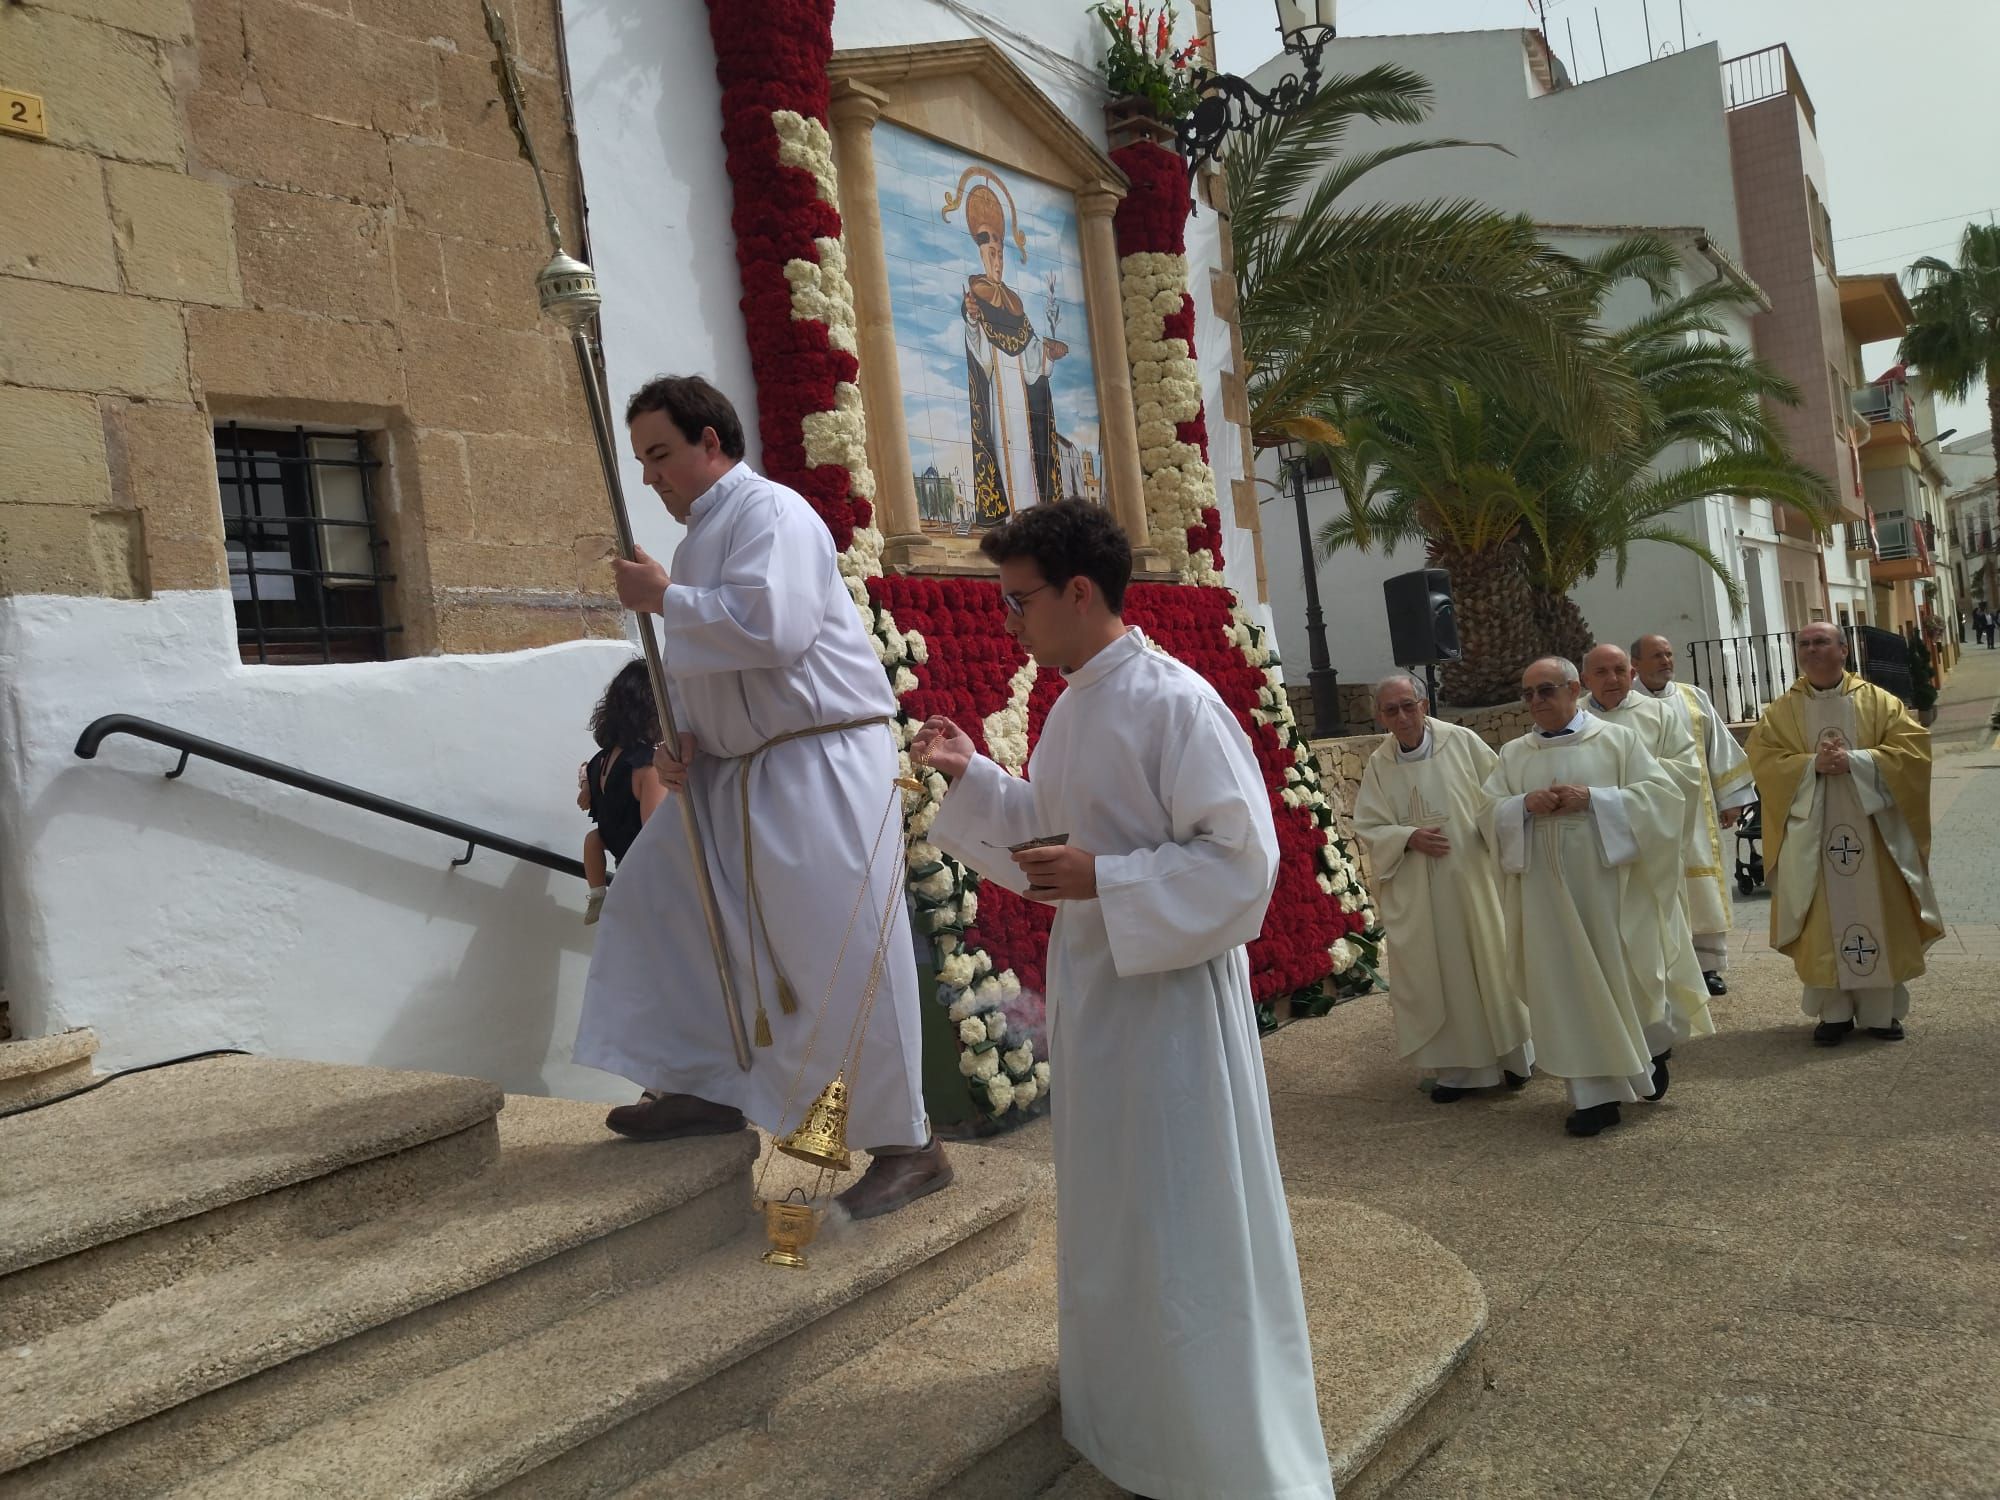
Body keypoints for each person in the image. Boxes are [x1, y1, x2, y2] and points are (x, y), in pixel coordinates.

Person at [914, 501, 1332, 1500]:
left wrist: (1106, 880)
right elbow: (1049, 838)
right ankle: (1133, 1416)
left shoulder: (1170, 701)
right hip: (1101, 995)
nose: (1007, 621)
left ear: (1078, 592)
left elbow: (1242, 861)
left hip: (1171, 1008)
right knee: (1117, 1210)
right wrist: (972, 775)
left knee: (1178, 1210)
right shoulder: (1073, 701)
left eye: (1018, 601)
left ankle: (1214, 1447)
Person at [575, 375, 948, 1220]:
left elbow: (773, 630)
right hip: (732, 773)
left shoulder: (771, 513)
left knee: (847, 954)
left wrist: (664, 598)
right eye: (641, 460)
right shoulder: (709, 533)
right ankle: (705, 1083)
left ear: (712, 441)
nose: (651, 477)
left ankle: (910, 1144)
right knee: (660, 903)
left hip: (819, 766)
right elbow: (719, 664)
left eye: (661, 454)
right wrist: (685, 740)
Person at [1481, 657, 1690, 1137]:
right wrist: (1521, 806)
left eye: (1547, 690)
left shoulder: (1617, 740)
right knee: (1566, 988)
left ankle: (1650, 1051)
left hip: (1606, 891)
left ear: (1574, 690)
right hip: (1545, 898)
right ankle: (1593, 1098)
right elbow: (1485, 813)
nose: (1536, 701)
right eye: (1528, 693)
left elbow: (1663, 799)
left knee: (1624, 975)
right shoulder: (1514, 754)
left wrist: (1596, 800)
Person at [1744, 622, 1944, 1045]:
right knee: (1822, 921)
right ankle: (1832, 1013)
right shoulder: (1782, 710)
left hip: (1874, 832)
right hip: (1812, 837)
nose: (1812, 650)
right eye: (1804, 644)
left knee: (1880, 915)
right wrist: (1808, 765)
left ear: (1843, 650)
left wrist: (1857, 761)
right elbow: (1762, 758)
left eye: (1821, 642)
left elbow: (1913, 750)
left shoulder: (1879, 703)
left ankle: (1880, 1013)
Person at [1351, 673, 1533, 1102]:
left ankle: (1514, 1058)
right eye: (1391, 710)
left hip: (1474, 880)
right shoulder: (1381, 763)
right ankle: (1458, 1073)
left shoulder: (1463, 743)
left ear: (1425, 705)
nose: (1402, 716)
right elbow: (1370, 826)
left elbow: (1500, 797)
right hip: (1419, 891)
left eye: (1408, 705)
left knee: (1490, 963)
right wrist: (1407, 838)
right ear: (1380, 716)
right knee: (1436, 975)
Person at [1580, 643, 1715, 1080]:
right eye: (1601, 671)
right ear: (1585, 679)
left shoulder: (1660, 715)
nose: (1612, 678)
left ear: (1632, 671)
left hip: (1648, 854)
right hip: (1592, 858)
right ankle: (1613, 1030)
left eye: (1619, 669)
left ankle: (1659, 1029)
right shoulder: (1573, 721)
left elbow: (1687, 774)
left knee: (1654, 944)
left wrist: (1634, 783)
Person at [1631, 634, 1757, 995]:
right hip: (1648, 815)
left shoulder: (1692, 697)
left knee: (1701, 886)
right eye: (1657, 655)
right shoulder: (1624, 704)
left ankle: (1708, 968)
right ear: (1635, 664)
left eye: (1669, 654)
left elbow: (1719, 746)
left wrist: (1730, 797)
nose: (1666, 660)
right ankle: (1663, 968)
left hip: (1696, 815)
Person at [578, 658, 666, 925]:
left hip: (621, 867)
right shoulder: (648, 767)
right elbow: (656, 838)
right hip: (650, 891)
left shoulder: (601, 760)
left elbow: (588, 797)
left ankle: (597, 895)